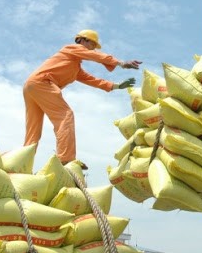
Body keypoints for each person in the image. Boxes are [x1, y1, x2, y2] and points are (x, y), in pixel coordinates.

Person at [23, 29, 142, 169]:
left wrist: (116, 86)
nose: (93, 48)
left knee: (34, 130)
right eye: (93, 44)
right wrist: (121, 63)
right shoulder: (71, 48)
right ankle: (66, 159)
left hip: (31, 86)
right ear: (83, 40)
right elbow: (92, 55)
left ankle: (22, 162)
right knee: (65, 116)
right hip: (42, 83)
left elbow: (92, 80)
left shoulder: (74, 66)